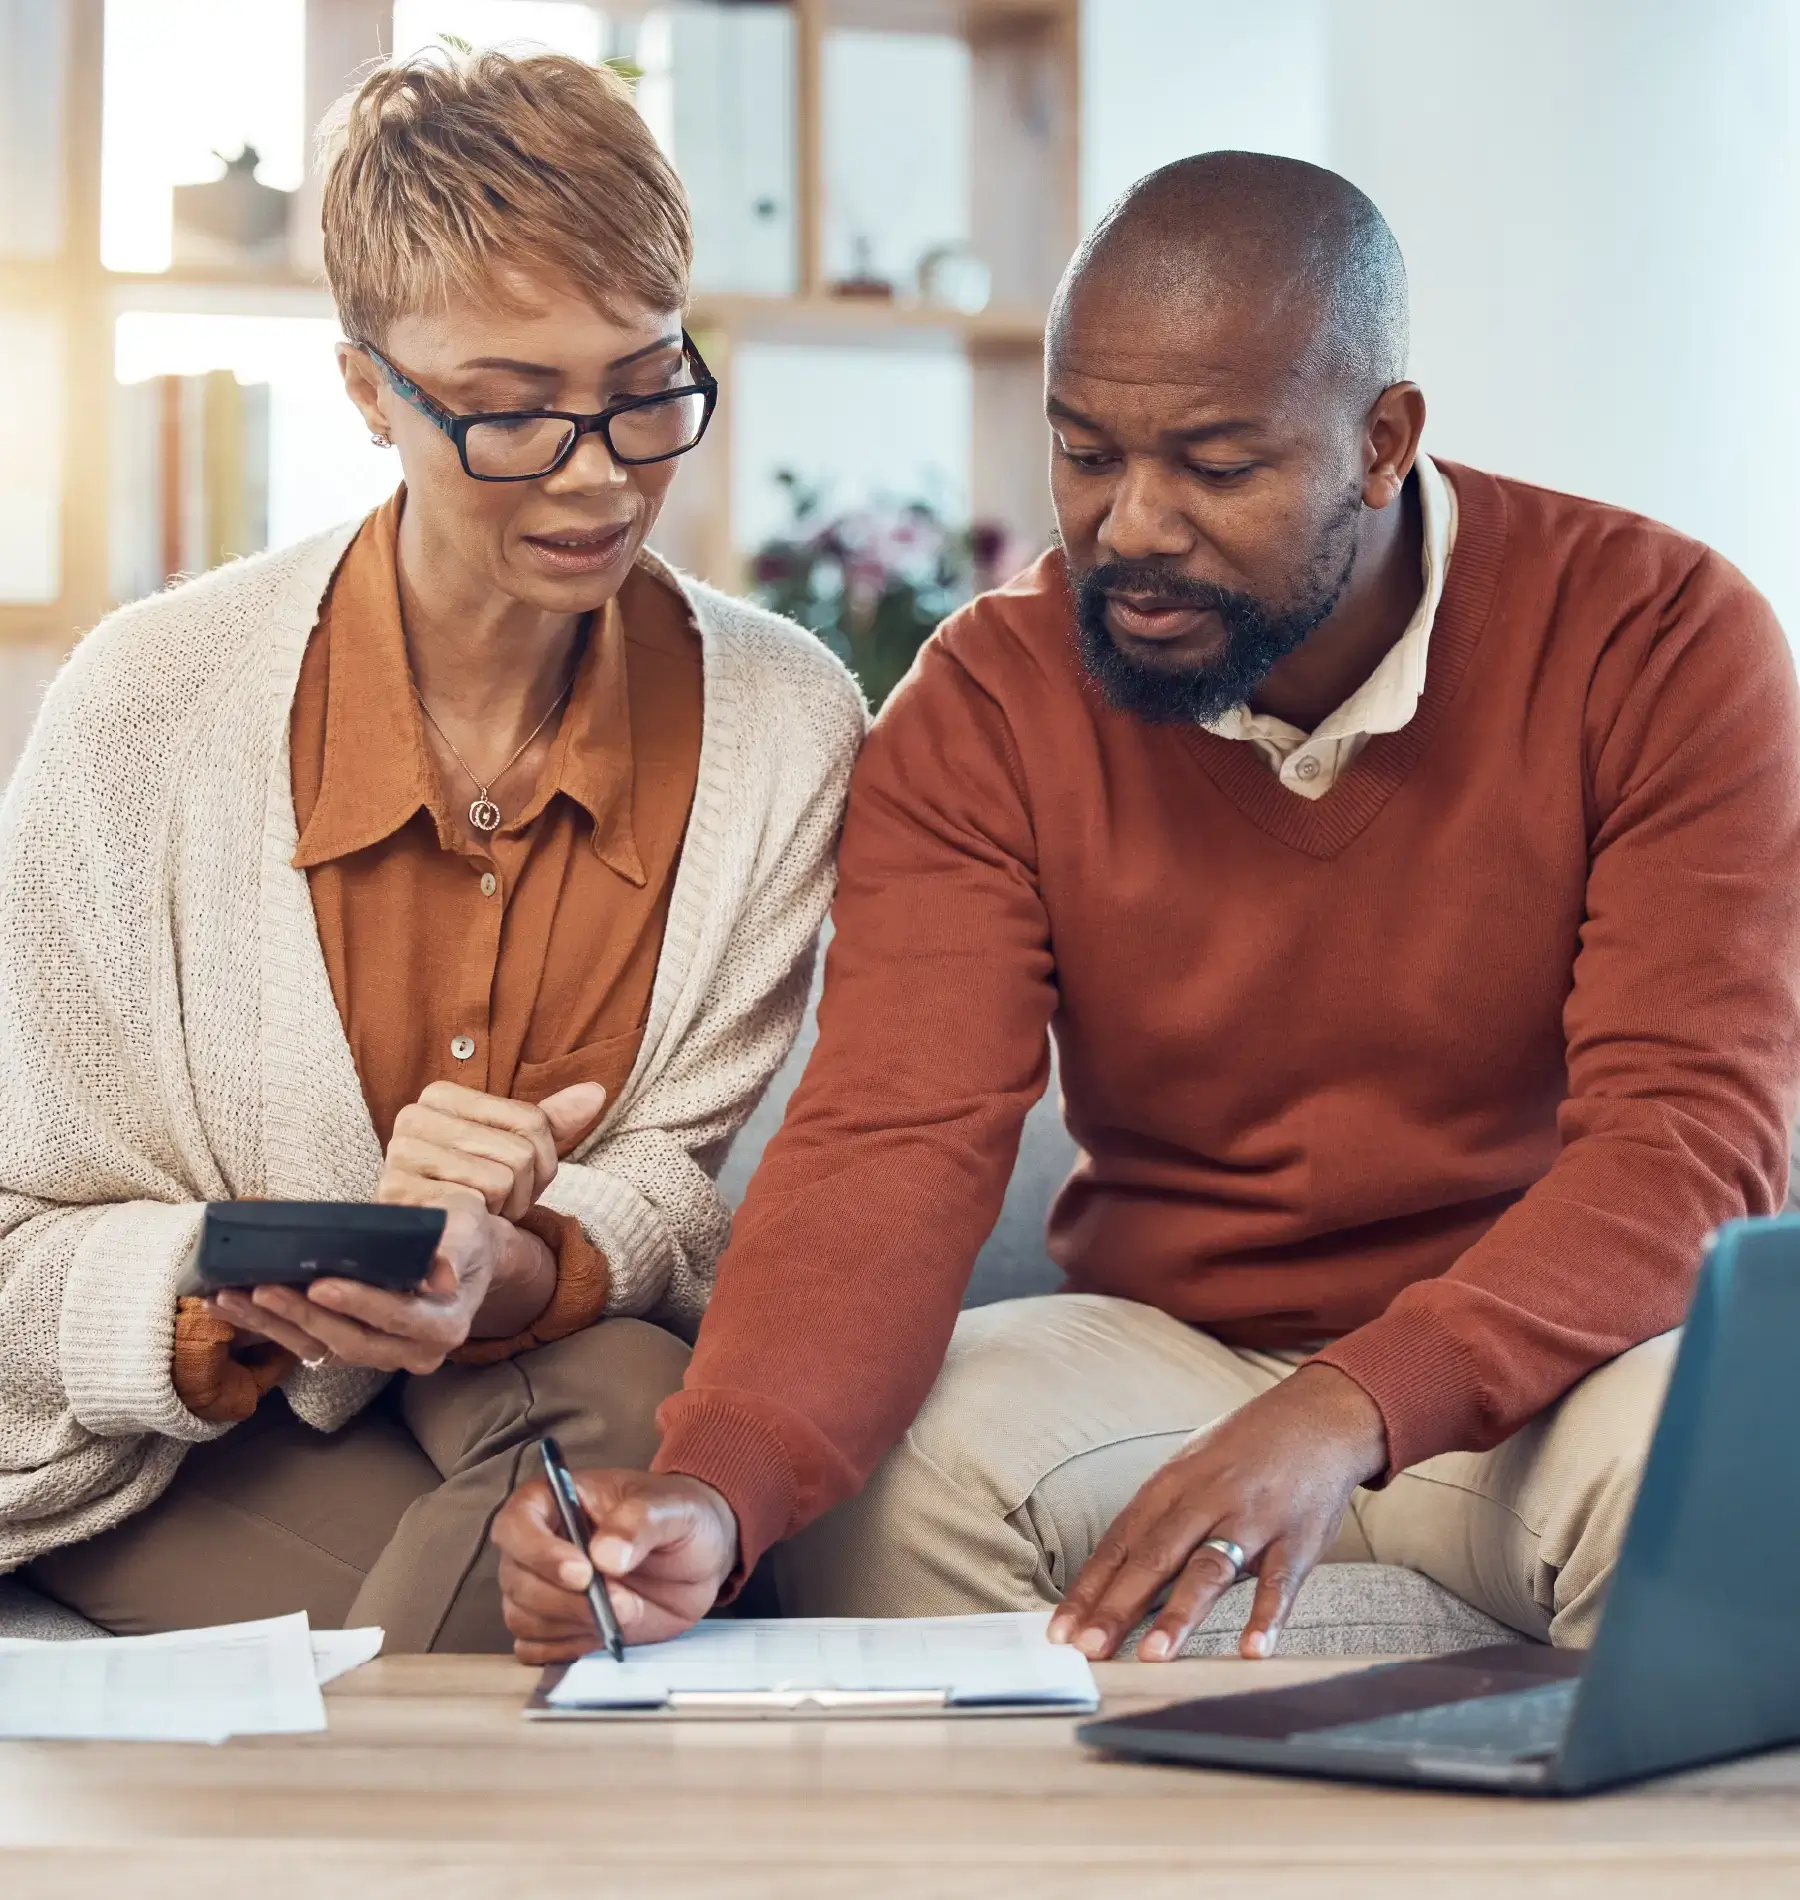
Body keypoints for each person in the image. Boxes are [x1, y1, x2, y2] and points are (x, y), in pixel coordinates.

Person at [494, 151, 1800, 1667]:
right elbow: (891, 1141)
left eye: (1217, 467)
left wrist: (1347, 1407)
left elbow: (1690, 1141)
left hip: (1564, 1365)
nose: (1132, 527)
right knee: (887, 1486)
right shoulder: (990, 699)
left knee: (1760, 1488)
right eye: (1086, 454)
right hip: (1176, 1356)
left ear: (1383, 442)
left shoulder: (1657, 637)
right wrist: (714, 1493)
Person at [0, 47, 862, 1650]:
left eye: (643, 384)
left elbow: (685, 1194)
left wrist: (512, 1267)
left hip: (543, 1364)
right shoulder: (144, 705)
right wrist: (252, 1276)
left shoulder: (783, 721)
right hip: (193, 1441)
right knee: (553, 1599)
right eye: (506, 412)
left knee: (647, 1430)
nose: (601, 472)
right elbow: (17, 1243)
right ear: (363, 388)